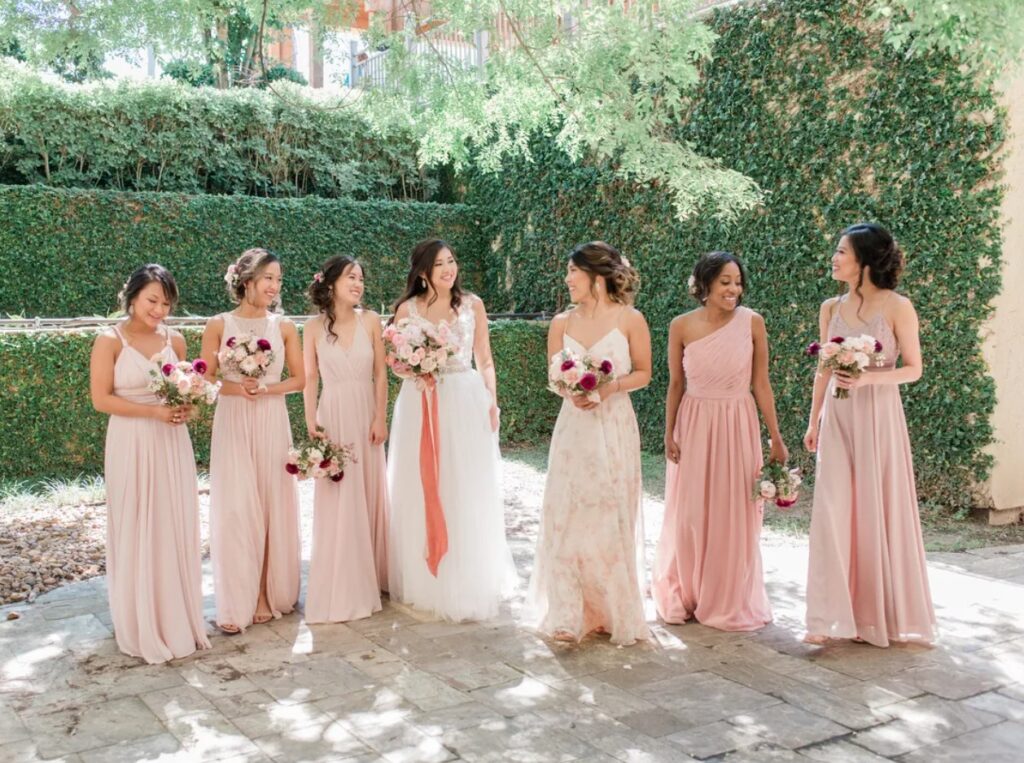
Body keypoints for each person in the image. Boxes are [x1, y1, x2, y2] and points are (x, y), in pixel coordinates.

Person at [804, 223, 936, 647]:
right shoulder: (830, 307)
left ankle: (876, 616)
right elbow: (823, 369)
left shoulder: (898, 307)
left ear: (863, 260)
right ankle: (826, 618)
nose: (834, 257)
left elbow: (914, 369)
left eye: (841, 251)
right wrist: (813, 419)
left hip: (880, 417)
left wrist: (870, 380)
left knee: (876, 508)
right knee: (832, 508)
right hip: (839, 419)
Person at [525, 241, 651, 645]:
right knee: (567, 512)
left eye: (572, 272)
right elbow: (552, 376)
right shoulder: (561, 322)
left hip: (613, 425)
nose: (567, 280)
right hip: (574, 428)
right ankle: (566, 612)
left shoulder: (631, 319)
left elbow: (645, 373)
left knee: (610, 513)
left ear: (595, 276)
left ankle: (611, 610)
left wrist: (609, 387)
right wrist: (572, 392)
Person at [653, 251, 786, 631]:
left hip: (737, 422)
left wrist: (775, 437)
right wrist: (669, 432)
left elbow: (761, 383)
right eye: (726, 281)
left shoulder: (752, 323)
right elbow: (675, 385)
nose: (734, 289)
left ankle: (727, 595)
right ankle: (691, 590)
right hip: (694, 422)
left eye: (738, 282)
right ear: (705, 284)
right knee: (691, 511)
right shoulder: (680, 326)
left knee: (735, 511)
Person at [386, 238, 515, 621]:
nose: (449, 269)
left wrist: (491, 399)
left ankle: (468, 572)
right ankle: (427, 576)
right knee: (422, 482)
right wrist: (416, 368)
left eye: (452, 261)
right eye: (440, 263)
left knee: (465, 482)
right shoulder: (406, 310)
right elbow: (395, 363)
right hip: (420, 400)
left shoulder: (472, 305)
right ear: (423, 272)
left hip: (464, 398)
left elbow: (485, 358)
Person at [90, 264, 210, 663]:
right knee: (135, 522)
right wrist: (152, 414)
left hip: (171, 441)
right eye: (152, 300)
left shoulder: (175, 341)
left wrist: (186, 410)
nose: (159, 309)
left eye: (166, 302)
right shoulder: (110, 341)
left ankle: (176, 615)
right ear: (132, 297)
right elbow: (101, 399)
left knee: (171, 521)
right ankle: (139, 619)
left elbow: (186, 394)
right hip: (130, 439)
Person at [201, 248, 304, 633]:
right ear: (246, 282)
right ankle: (236, 597)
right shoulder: (218, 325)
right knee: (236, 508)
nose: (275, 287)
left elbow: (300, 379)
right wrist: (235, 385)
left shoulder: (285, 327)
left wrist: (266, 387)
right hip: (233, 420)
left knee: (269, 504)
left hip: (270, 419)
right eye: (268, 279)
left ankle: (264, 594)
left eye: (278, 280)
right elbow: (205, 379)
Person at [302, 256, 389, 623]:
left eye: (362, 278)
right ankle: (346, 577)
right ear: (332, 282)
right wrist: (310, 422)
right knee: (340, 493)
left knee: (369, 489)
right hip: (333, 414)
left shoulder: (371, 320)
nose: (358, 283)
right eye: (351, 277)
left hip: (366, 412)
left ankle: (377, 573)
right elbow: (310, 378)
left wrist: (381, 417)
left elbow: (382, 375)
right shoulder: (311, 327)